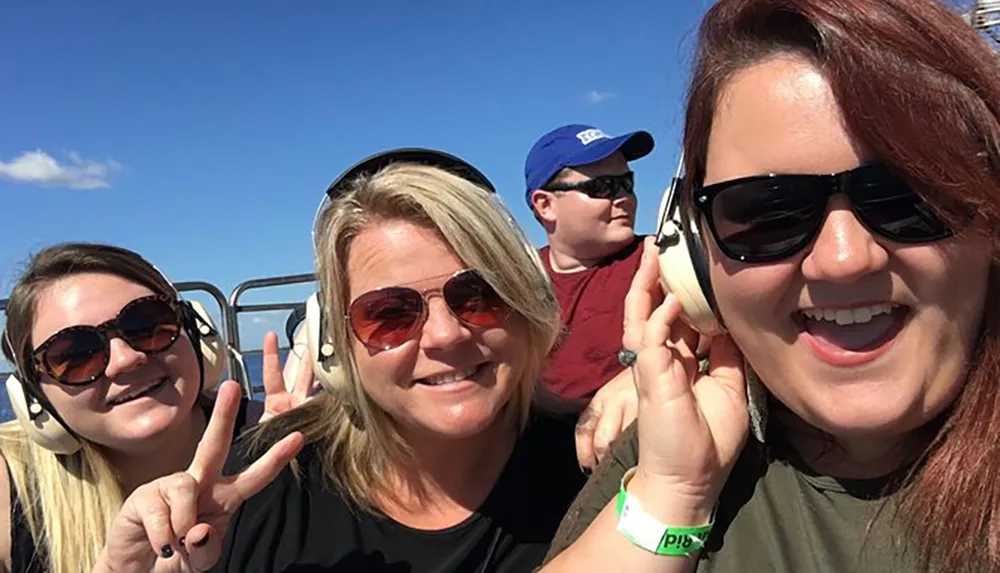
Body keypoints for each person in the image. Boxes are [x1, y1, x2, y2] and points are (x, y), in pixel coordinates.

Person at [537, 0, 1000, 572]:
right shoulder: (672, 444)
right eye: (766, 212)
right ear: (695, 260)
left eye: (909, 197)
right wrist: (673, 497)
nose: (843, 260)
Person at [94, 149, 590, 573]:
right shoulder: (265, 482)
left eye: (479, 295)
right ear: (335, 340)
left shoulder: (594, 463)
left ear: (529, 304)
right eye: (390, 314)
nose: (444, 334)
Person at [0, 242, 310, 573]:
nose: (126, 360)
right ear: (35, 398)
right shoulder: (8, 484)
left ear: (196, 334)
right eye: (75, 356)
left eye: (146, 325)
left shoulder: (285, 444)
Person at [524, 124, 656, 469]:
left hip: (628, 461)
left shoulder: (661, 259)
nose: (624, 197)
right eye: (602, 187)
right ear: (545, 205)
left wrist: (640, 376)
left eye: (627, 183)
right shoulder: (515, 281)